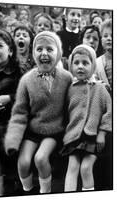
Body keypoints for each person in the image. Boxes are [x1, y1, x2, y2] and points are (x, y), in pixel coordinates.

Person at [4, 31, 72, 194]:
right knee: (23, 163)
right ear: (33, 52)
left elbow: (74, 105)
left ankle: (45, 192)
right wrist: (13, 140)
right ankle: (28, 191)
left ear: (59, 53)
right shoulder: (27, 80)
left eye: (50, 49)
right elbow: (19, 113)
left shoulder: (67, 78)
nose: (44, 53)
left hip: (55, 131)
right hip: (33, 130)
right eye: (39, 49)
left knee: (40, 158)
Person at [60, 44, 112, 192]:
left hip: (94, 137)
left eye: (85, 63)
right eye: (76, 63)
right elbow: (65, 112)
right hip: (74, 136)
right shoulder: (70, 88)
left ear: (93, 65)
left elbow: (109, 112)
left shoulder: (100, 88)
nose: (80, 67)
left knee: (86, 167)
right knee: (72, 166)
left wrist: (102, 133)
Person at [0, 29, 21, 196]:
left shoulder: (18, 72)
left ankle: (14, 181)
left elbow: (27, 98)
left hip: (14, 121)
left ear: (10, 50)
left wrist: (9, 98)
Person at [96, 19, 112, 96]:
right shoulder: (97, 63)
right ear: (101, 39)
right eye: (105, 36)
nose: (109, 38)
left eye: (112, 35)